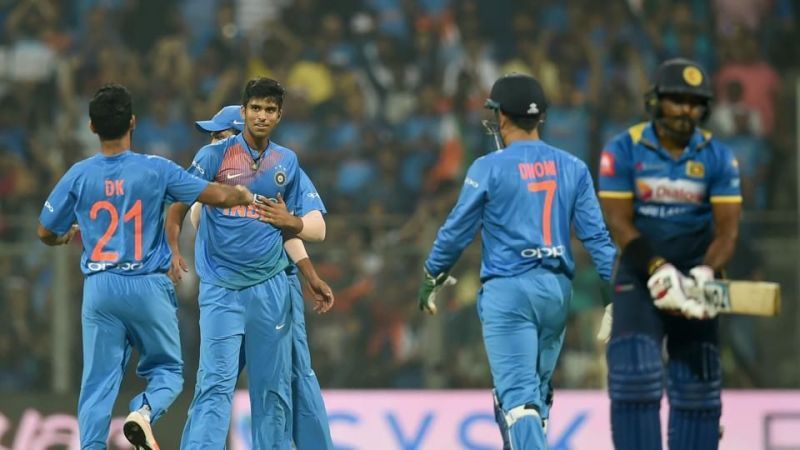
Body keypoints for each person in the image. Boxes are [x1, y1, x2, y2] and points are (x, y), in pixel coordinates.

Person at [37, 84, 257, 450]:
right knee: (169, 372)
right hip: (146, 285)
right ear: (133, 123)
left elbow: (45, 229)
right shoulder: (156, 169)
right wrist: (246, 193)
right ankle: (143, 411)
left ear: (92, 127)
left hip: (100, 286)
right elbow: (215, 194)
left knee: (97, 383)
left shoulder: (79, 174)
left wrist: (63, 238)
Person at [418, 73, 616, 449]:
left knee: (517, 401)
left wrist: (432, 274)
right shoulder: (573, 167)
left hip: (508, 292)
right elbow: (598, 240)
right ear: (540, 117)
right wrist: (615, 295)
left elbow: (456, 230)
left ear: (501, 117)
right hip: (557, 293)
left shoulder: (488, 167)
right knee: (537, 399)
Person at [166, 77, 332, 450]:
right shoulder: (210, 162)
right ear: (245, 113)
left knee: (280, 386)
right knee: (215, 383)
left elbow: (297, 227)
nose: (212, 141)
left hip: (273, 287)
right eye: (255, 108)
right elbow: (181, 205)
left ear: (277, 115)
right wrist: (171, 250)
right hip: (222, 289)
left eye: (268, 109)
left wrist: (308, 272)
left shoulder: (286, 162)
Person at [598, 58, 742, 450]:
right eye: (676, 100)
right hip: (639, 277)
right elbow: (618, 221)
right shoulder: (623, 148)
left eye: (694, 102)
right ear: (656, 101)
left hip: (696, 280)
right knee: (635, 376)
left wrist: (707, 273)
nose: (685, 110)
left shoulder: (718, 156)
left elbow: (728, 231)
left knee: (699, 389)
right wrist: (657, 269)